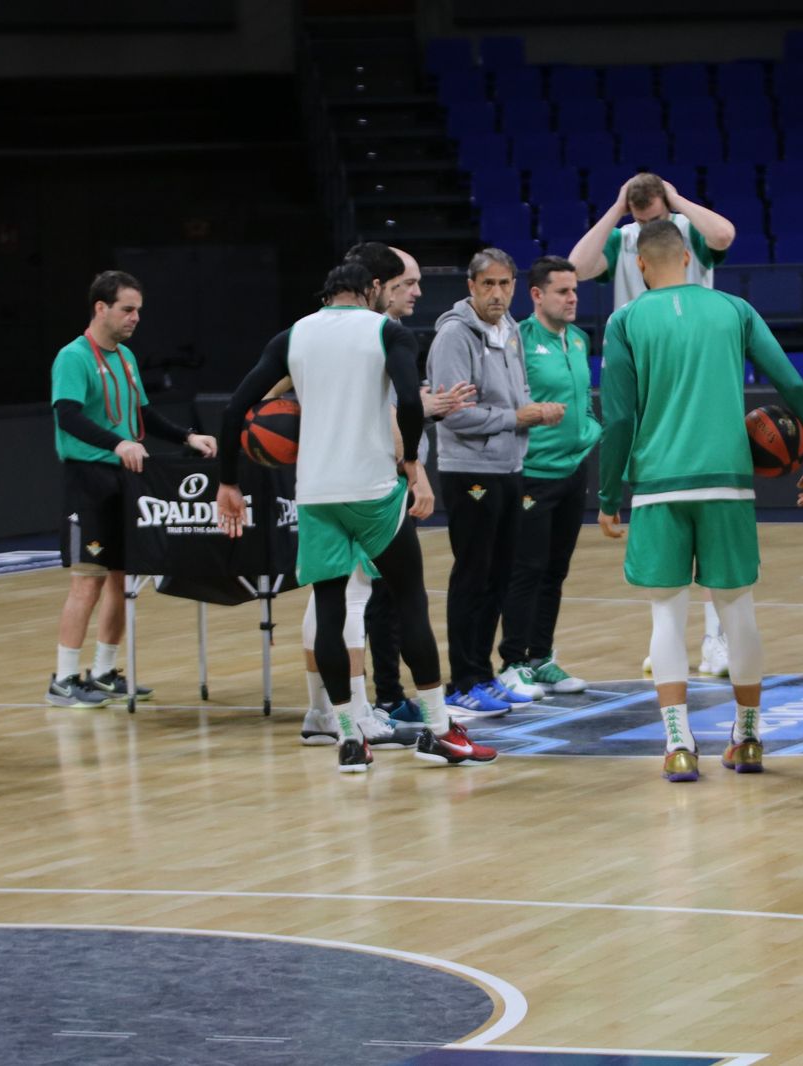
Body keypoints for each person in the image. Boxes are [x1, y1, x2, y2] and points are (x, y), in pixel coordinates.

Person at [217, 260, 497, 772]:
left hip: (317, 492)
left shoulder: (292, 336)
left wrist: (228, 482)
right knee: (410, 598)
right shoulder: (387, 331)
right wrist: (411, 461)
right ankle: (438, 730)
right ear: (371, 289)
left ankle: (348, 737)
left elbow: (235, 409)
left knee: (329, 608)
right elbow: (410, 400)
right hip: (371, 490)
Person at [597, 219, 803, 783]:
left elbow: (621, 417)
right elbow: (792, 383)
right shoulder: (734, 310)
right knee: (736, 612)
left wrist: (608, 494)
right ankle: (748, 737)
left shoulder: (625, 320)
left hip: (659, 485)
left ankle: (679, 745)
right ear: (689, 259)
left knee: (666, 615)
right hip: (727, 482)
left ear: (641, 266)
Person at [281, 244, 457, 751]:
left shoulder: (330, 335)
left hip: (331, 482)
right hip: (360, 483)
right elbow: (276, 394)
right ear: (376, 286)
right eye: (407, 283)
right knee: (351, 600)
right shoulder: (367, 337)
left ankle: (329, 712)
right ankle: (350, 713)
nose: (415, 293)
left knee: (336, 599)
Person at [571, 172, 738, 676]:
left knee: (711, 524)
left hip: (694, 372)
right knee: (658, 522)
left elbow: (726, 235)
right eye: (642, 221)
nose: (650, 229)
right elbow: (577, 266)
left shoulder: (688, 231)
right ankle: (665, 635)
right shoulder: (623, 239)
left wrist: (678, 201)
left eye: (656, 219)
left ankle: (716, 640)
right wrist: (616, 208)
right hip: (643, 373)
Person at [46, 271, 218, 708]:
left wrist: (187, 437)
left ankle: (103, 670)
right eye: (127, 309)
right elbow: (67, 415)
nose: (135, 317)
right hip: (88, 478)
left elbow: (144, 415)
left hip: (127, 478)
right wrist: (117, 442)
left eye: (138, 309)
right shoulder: (73, 357)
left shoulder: (125, 358)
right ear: (101, 308)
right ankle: (63, 678)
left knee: (123, 579)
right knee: (87, 579)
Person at [427, 248, 564, 716]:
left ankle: (484, 674)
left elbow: (517, 392)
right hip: (469, 470)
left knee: (498, 576)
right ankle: (462, 681)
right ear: (470, 286)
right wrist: (517, 417)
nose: (498, 294)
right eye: (488, 284)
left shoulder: (510, 331)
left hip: (508, 467)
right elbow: (453, 413)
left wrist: (527, 415)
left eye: (505, 284)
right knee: (473, 574)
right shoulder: (453, 335)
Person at [496, 256, 600, 697]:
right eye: (563, 291)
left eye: (575, 290)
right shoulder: (517, 341)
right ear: (537, 295)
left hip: (573, 471)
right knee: (526, 569)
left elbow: (583, 398)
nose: (573, 298)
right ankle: (512, 662)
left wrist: (591, 428)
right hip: (532, 474)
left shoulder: (577, 339)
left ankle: (541, 657)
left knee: (556, 570)